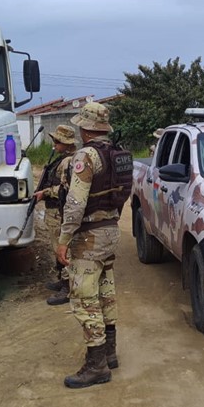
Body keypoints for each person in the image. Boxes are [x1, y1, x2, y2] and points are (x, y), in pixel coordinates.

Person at [56, 102, 124, 389]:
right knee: (105, 290)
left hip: (89, 236)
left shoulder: (86, 156)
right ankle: (109, 353)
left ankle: (96, 365)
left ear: (84, 129)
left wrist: (63, 240)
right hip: (110, 230)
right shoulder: (120, 154)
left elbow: (75, 203)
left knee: (85, 298)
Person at [32, 124, 77, 306]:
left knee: (63, 249)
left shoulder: (69, 162)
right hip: (54, 211)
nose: (54, 144)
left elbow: (69, 188)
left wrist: (46, 192)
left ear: (66, 143)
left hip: (60, 212)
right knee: (56, 247)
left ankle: (68, 287)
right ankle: (62, 279)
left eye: (57, 141)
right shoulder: (61, 159)